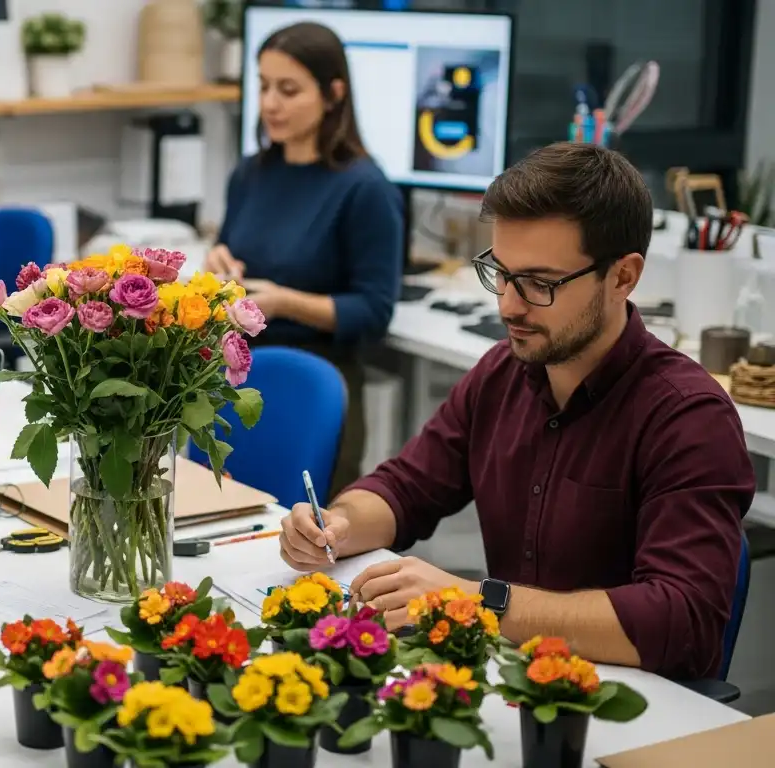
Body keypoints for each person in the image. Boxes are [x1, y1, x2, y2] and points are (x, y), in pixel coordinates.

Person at [279, 142, 754, 681]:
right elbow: (407, 486)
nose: (507, 304)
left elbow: (683, 621)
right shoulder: (502, 373)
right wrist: (337, 525)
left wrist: (480, 601)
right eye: (500, 272)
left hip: (634, 712)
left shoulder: (688, 418)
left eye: (540, 283)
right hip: (516, 681)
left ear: (623, 276)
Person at [205, 22, 404, 497]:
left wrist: (286, 303)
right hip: (237, 384)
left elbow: (374, 311)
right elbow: (237, 258)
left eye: (288, 90)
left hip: (314, 391)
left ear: (333, 94)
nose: (270, 103)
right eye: (265, 86)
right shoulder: (250, 175)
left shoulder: (365, 189)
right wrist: (219, 263)